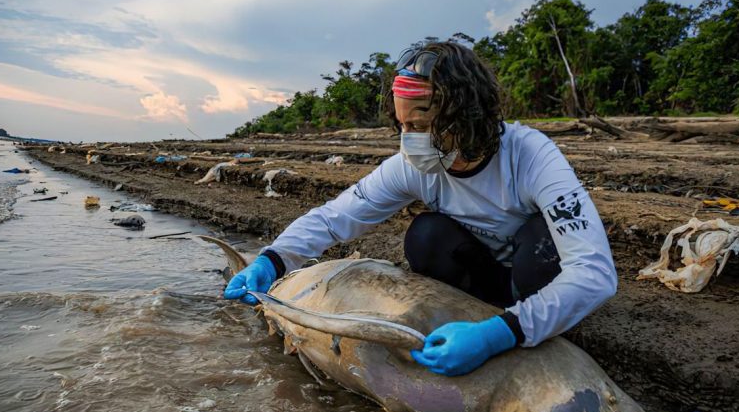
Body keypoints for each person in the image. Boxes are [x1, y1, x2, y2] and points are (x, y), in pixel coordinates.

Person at [224, 41, 617, 377]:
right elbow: (336, 217)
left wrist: (499, 334)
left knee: (542, 239)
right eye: (403, 126)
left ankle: (522, 325)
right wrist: (273, 260)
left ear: (466, 115)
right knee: (426, 235)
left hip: (531, 278)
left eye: (422, 125)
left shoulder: (531, 157)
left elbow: (594, 273)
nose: (410, 141)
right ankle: (471, 322)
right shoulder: (413, 167)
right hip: (482, 279)